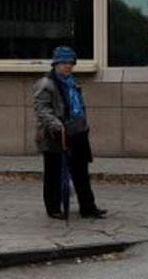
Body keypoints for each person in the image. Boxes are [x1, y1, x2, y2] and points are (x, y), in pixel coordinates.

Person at [33, 46, 107, 220]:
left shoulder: (72, 82)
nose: (67, 66)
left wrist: (83, 125)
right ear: (56, 64)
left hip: (77, 133)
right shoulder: (46, 84)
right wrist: (56, 124)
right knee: (54, 173)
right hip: (56, 135)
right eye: (64, 63)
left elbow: (77, 107)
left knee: (81, 172)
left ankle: (88, 207)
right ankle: (53, 208)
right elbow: (42, 109)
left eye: (70, 63)